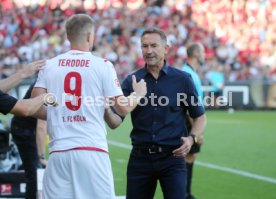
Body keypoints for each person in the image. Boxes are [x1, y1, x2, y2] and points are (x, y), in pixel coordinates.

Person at [31, 14, 147, 199]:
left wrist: (59, 112)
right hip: (91, 151)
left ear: (68, 36)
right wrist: (138, 94)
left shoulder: (50, 65)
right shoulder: (102, 65)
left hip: (58, 153)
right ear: (89, 36)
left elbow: (34, 104)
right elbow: (123, 108)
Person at [121, 27, 207, 199]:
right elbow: (115, 115)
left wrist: (191, 139)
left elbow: (200, 117)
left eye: (154, 45)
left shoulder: (183, 80)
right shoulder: (132, 81)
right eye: (144, 46)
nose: (149, 51)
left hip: (173, 159)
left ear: (166, 48)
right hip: (140, 158)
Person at [10, 84, 48, 199]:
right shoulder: (46, 86)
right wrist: (41, 157)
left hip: (25, 127)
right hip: (24, 130)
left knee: (33, 170)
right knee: (34, 172)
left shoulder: (46, 80)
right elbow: (41, 126)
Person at [182, 42, 205, 199]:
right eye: (203, 52)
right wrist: (196, 131)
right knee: (187, 156)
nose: (205, 56)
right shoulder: (189, 74)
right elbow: (190, 105)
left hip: (189, 121)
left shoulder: (188, 72)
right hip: (189, 123)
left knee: (190, 156)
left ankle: (186, 193)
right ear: (196, 54)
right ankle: (184, 193)